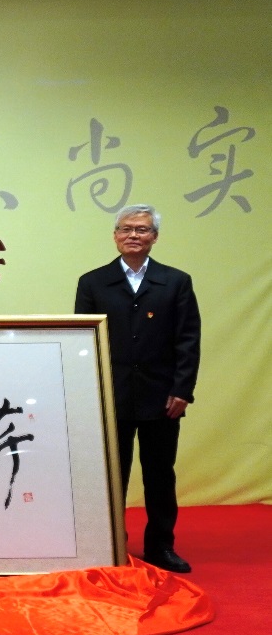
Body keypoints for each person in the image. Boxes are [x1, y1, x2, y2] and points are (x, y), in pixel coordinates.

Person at [75, 204, 201, 573]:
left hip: (162, 397)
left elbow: (188, 339)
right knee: (111, 476)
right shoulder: (93, 282)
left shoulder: (175, 281)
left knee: (160, 475)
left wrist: (183, 390)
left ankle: (161, 546)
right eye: (126, 229)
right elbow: (83, 342)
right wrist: (89, 393)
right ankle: (110, 544)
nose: (133, 235)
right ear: (115, 236)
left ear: (154, 237)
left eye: (142, 229)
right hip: (110, 395)